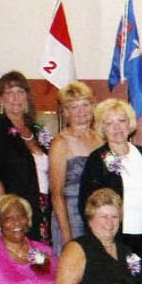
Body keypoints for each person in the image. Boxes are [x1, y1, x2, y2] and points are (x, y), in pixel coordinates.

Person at [77, 98, 142, 283]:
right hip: (114, 236)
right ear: (102, 128)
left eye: (121, 120)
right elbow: (86, 205)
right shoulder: (97, 159)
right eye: (109, 123)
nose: (116, 127)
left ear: (130, 124)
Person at [0, 71, 50, 243]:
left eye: (20, 92)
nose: (15, 98)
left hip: (40, 208)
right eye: (9, 93)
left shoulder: (37, 131)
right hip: (13, 212)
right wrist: (5, 217)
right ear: (0, 100)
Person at [47, 81, 99, 253]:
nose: (81, 111)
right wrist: (66, 235)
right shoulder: (60, 143)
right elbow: (56, 194)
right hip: (71, 218)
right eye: (74, 107)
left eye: (85, 104)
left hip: (99, 217)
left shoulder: (101, 139)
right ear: (66, 112)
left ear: (93, 106)